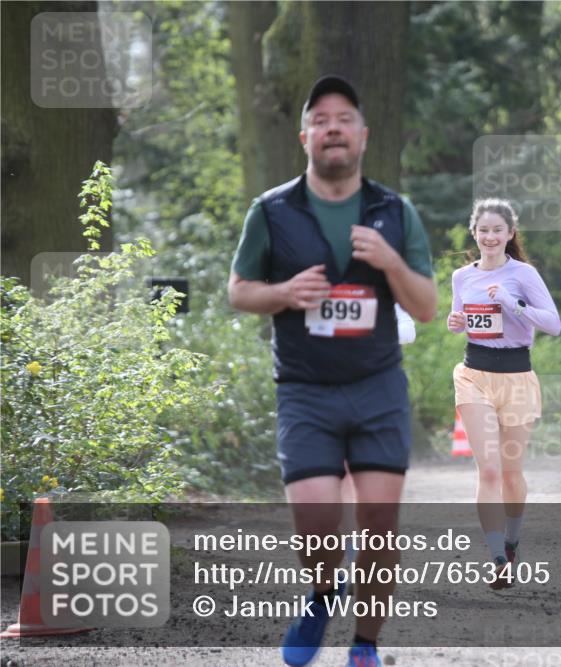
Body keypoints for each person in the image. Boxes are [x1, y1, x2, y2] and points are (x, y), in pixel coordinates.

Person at [228, 75, 436, 667]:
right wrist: (285, 293)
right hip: (304, 390)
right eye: (321, 120)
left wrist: (391, 261)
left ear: (363, 135)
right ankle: (323, 592)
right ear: (305, 137)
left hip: (377, 388)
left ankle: (364, 646)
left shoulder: (395, 212)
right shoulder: (271, 210)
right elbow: (239, 291)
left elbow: (424, 306)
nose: (333, 127)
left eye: (344, 117)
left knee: (378, 525)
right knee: (316, 519)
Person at [446, 199, 561, 588]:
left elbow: (554, 324)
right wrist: (455, 321)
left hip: (516, 376)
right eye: (483, 230)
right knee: (489, 469)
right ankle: (497, 557)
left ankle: (512, 542)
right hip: (473, 374)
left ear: (510, 234)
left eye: (498, 230)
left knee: (511, 474)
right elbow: (461, 321)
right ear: (473, 232)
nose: (490, 237)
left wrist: (512, 303)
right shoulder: (462, 277)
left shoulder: (523, 274)